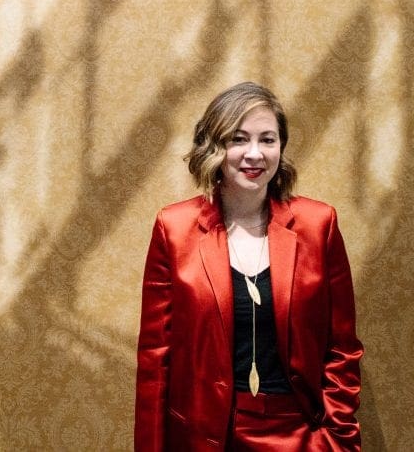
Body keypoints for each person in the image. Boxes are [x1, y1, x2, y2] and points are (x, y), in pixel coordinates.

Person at [135, 82, 363, 451]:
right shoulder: (174, 228)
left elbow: (342, 349)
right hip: (208, 437)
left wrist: (336, 439)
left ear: (281, 148)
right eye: (238, 139)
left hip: (301, 435)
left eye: (268, 140)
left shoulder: (318, 224)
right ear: (213, 147)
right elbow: (155, 360)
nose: (254, 154)